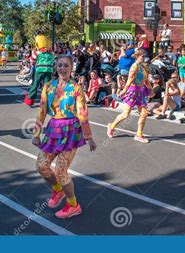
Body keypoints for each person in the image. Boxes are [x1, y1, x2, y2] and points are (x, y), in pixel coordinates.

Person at [32, 55, 96, 219]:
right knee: (42, 166)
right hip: (54, 129)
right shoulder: (48, 87)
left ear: (71, 67)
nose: (62, 68)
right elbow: (42, 111)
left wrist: (89, 137)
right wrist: (36, 134)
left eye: (65, 65)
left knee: (61, 171)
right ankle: (58, 190)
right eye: (59, 65)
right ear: (56, 67)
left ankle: (73, 205)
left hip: (71, 131)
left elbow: (82, 113)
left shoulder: (76, 88)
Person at [107, 49, 151, 143]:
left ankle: (139, 134)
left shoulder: (143, 67)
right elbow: (130, 80)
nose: (144, 58)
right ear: (137, 56)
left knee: (144, 113)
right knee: (125, 114)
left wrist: (150, 90)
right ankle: (111, 126)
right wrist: (124, 90)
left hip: (140, 92)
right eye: (142, 56)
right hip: (133, 91)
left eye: (144, 56)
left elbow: (146, 81)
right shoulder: (134, 67)